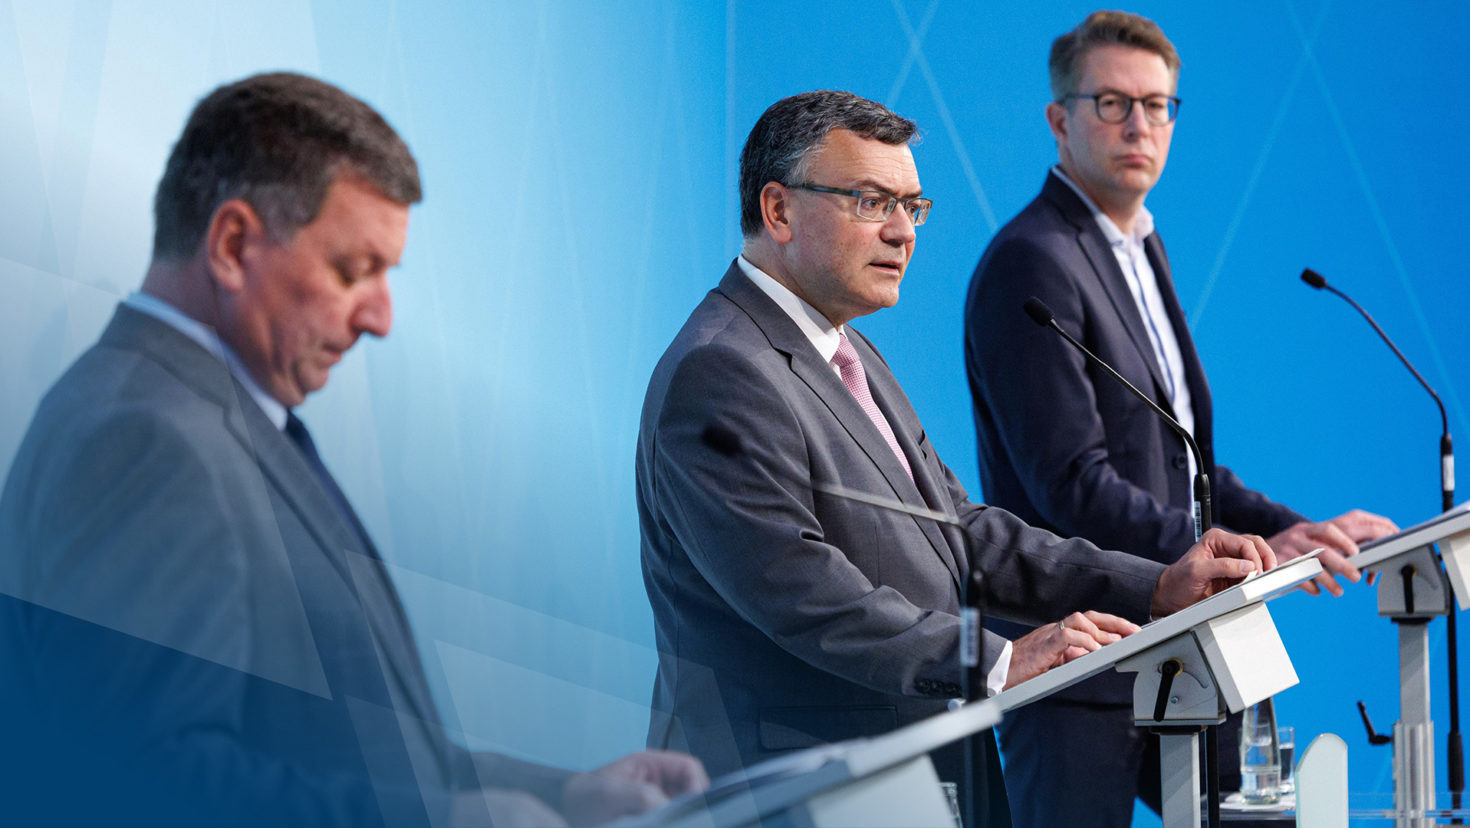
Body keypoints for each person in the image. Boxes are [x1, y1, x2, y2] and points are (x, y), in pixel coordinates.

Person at [0, 72, 705, 828]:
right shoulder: (146, 440)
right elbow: (133, 785)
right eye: (353, 270)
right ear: (233, 245)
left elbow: (355, 753)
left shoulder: (221, 415)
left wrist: (563, 795)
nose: (381, 318)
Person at [637, 89, 1277, 827]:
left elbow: (961, 532)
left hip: (904, 778)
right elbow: (802, 592)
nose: (903, 232)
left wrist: (1157, 586)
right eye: (873, 202)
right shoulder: (720, 371)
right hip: (791, 792)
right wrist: (997, 661)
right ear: (778, 210)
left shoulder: (847, 349)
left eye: (914, 207)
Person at [963, 11, 1397, 826]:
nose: (1140, 125)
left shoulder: (1139, 248)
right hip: (1083, 664)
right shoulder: (1033, 259)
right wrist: (1227, 555)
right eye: (1113, 103)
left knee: (1262, 815)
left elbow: (1188, 467)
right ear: (1060, 120)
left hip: (1193, 646)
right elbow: (1073, 487)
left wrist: (1297, 532)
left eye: (1158, 105)